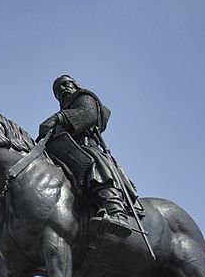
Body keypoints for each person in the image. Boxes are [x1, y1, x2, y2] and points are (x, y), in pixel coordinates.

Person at [38, 75, 138, 238]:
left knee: (93, 163)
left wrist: (57, 118)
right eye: (58, 90)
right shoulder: (63, 114)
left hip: (85, 147)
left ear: (75, 85)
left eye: (65, 85)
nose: (62, 89)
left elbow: (88, 114)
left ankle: (116, 210)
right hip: (64, 154)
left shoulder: (84, 97)